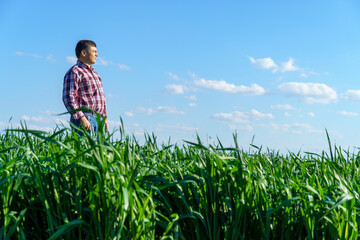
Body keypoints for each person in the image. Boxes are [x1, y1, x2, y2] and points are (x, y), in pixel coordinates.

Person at [62, 40, 109, 135]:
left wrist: (104, 119)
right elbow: (69, 97)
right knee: (84, 148)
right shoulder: (75, 72)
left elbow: (101, 99)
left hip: (99, 119)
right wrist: (81, 118)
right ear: (83, 53)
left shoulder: (96, 75)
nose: (97, 55)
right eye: (94, 51)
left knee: (98, 150)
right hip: (85, 117)